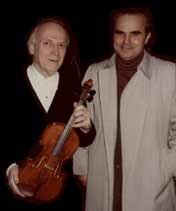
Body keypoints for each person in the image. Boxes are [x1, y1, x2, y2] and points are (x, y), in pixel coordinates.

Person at [73, 6, 176, 211]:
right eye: (120, 33)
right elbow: (79, 124)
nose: (126, 41)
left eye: (135, 34)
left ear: (147, 37)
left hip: (151, 189)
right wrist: (82, 168)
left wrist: (165, 169)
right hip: (102, 183)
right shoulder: (94, 72)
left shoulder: (170, 74)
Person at [2, 16, 95, 210]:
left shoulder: (75, 90)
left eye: (61, 45)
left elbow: (84, 140)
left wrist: (87, 127)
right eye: (47, 43)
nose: (55, 51)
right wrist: (9, 167)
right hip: (15, 190)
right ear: (32, 47)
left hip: (59, 192)